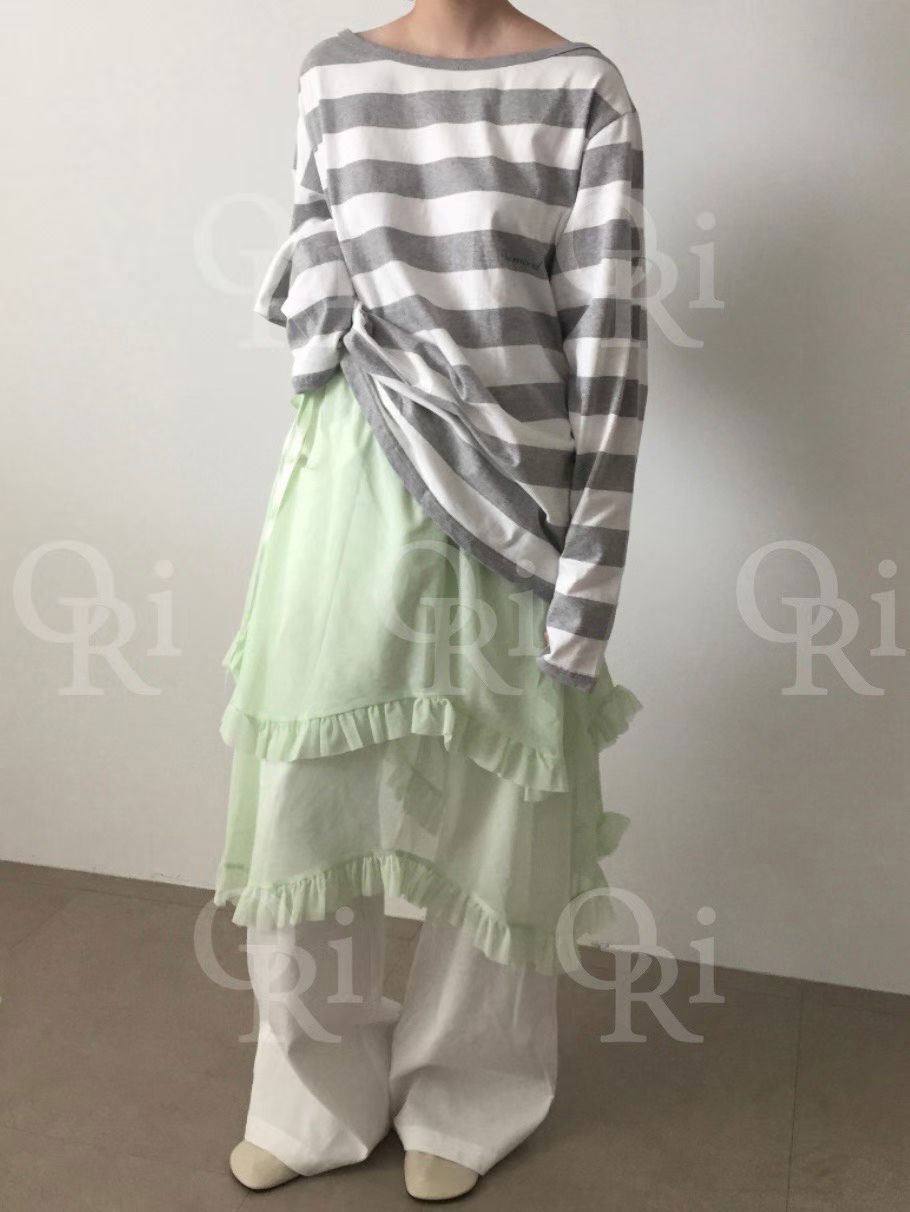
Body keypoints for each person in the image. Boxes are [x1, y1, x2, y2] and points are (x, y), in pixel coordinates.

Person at [214, 0, 649, 1199]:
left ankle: (471, 1092)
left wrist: (589, 577)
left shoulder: (583, 91)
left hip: (516, 502)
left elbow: (609, 345)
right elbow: (310, 275)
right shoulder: (331, 77)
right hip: (350, 475)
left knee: (502, 811)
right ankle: (309, 1096)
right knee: (307, 793)